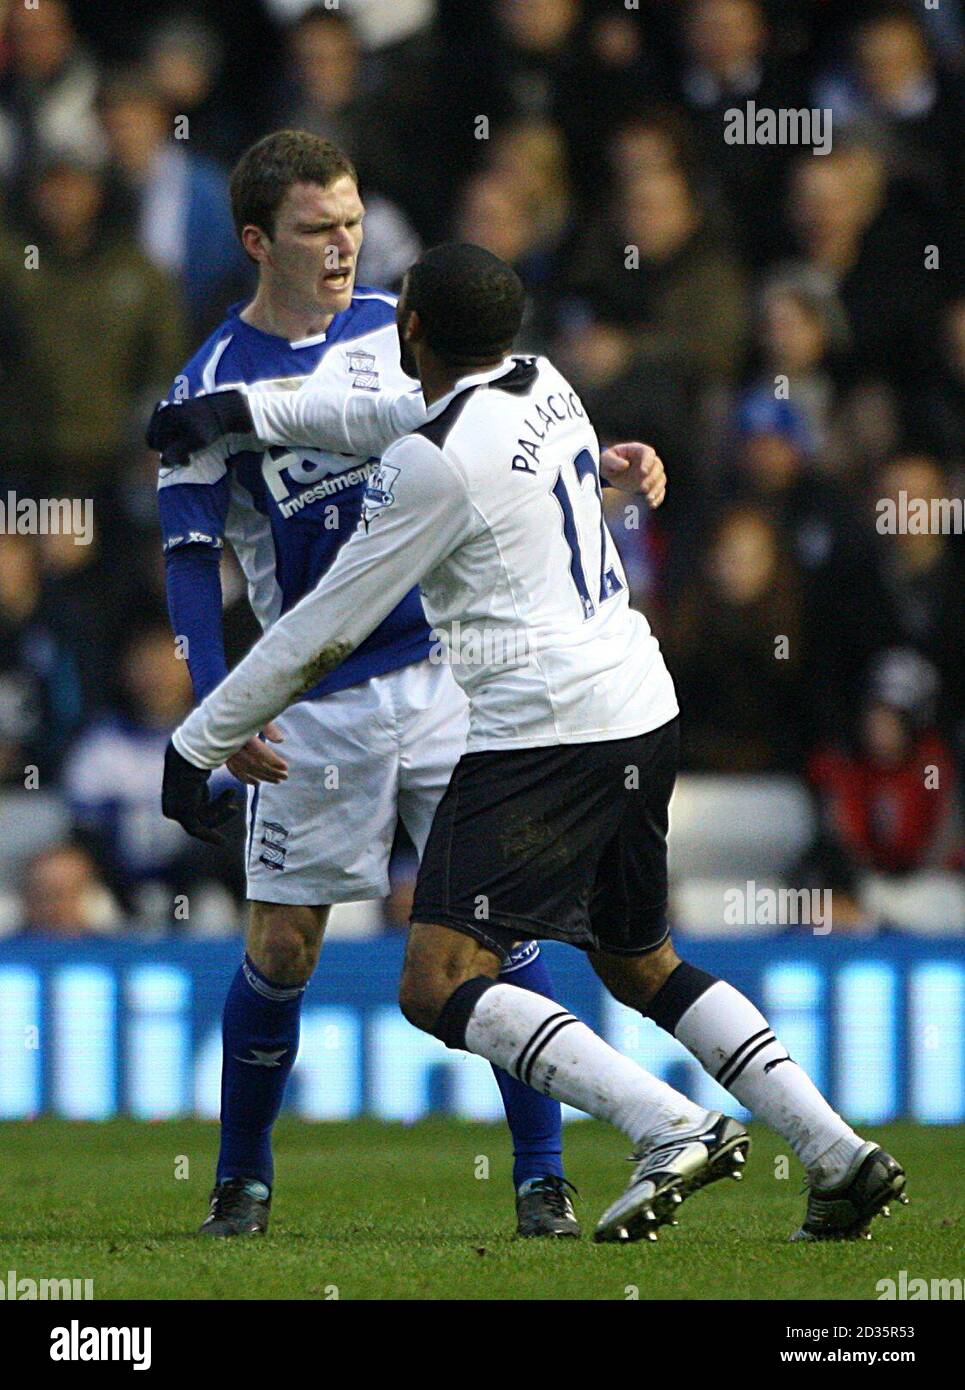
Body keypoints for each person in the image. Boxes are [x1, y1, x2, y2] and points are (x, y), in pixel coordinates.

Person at [155, 242, 906, 1243]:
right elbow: (392, 427)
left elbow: (319, 627)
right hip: (638, 705)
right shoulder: (543, 381)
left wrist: (199, 739)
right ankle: (834, 1153)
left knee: (438, 980)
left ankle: (664, 1124)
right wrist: (244, 413)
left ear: (411, 331)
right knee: (641, 962)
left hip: (539, 736)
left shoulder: (431, 465)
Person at [149, 130, 665, 1241]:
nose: (342, 247)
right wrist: (215, 696)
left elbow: (511, 434)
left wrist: (603, 457)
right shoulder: (206, 383)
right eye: (314, 230)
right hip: (309, 703)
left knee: (500, 935)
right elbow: (189, 553)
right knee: (282, 946)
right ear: (254, 240)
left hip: (445, 677)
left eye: (349, 222)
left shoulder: (402, 328)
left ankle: (540, 1176)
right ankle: (240, 1181)